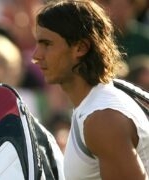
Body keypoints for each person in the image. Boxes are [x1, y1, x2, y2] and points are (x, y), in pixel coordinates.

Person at [32, 0, 149, 179]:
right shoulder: (96, 107)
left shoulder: (102, 118)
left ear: (81, 47)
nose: (36, 56)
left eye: (47, 44)